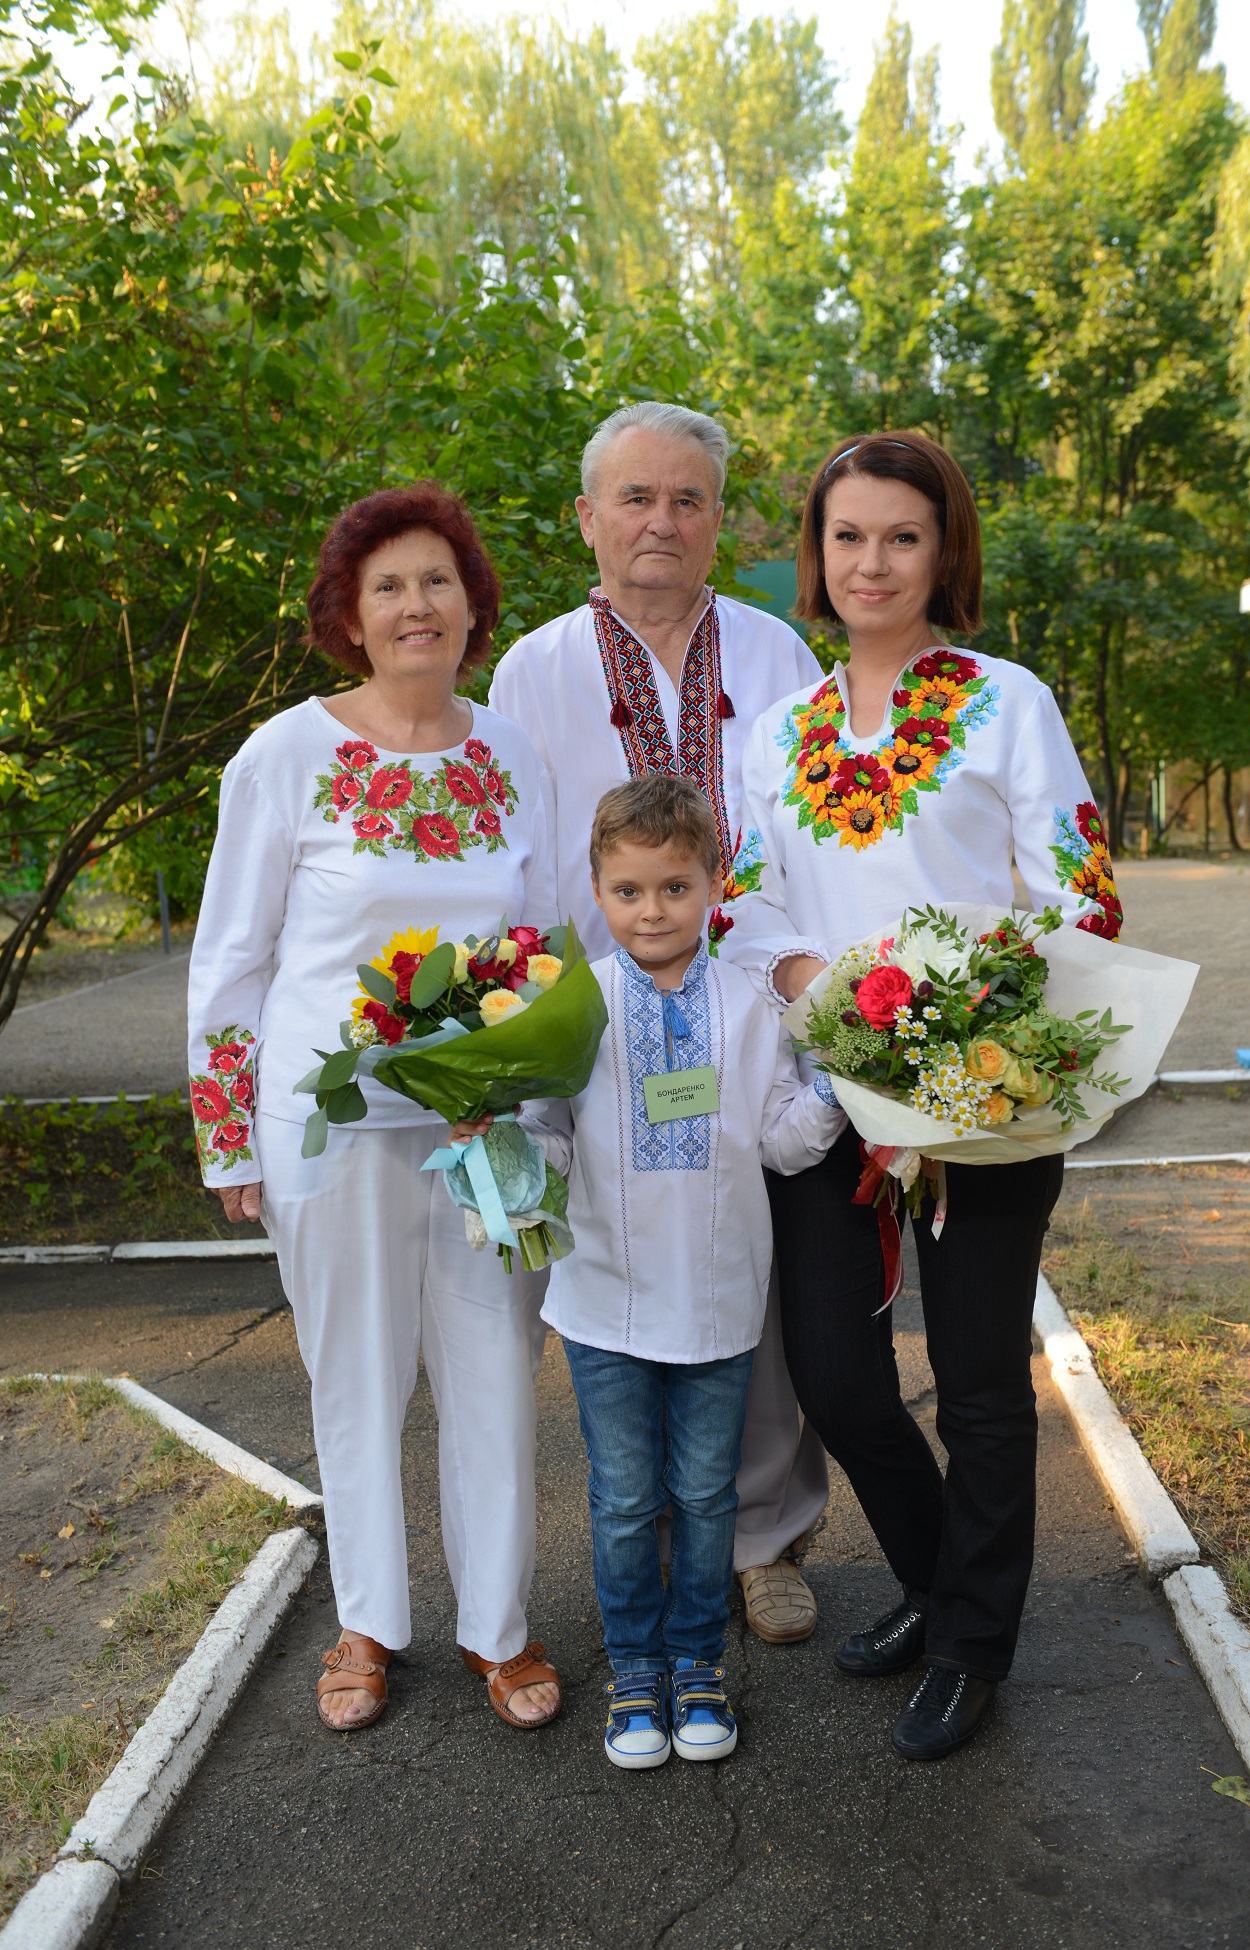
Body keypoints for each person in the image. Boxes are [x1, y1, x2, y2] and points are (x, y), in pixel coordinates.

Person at [736, 430, 1124, 1762]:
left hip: (980, 1088)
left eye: (902, 536)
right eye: (848, 535)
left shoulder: (1005, 701)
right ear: (817, 552)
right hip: (830, 1094)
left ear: (944, 549)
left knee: (978, 1387)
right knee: (838, 1378)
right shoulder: (778, 732)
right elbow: (744, 900)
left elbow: (1080, 892)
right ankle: (934, 1576)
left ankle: (971, 1644)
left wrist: (965, 1005)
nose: (873, 562)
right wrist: (817, 984)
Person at [187, 483, 563, 1734]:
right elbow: (231, 960)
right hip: (327, 1128)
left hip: (487, 1130)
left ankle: (499, 1629)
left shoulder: (513, 756)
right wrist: (228, 1137)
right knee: (353, 1375)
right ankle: (367, 1624)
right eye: (387, 585)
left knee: (494, 1368)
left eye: (437, 580)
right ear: (348, 615)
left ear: (472, 605)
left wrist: (545, 1108)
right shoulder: (283, 756)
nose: (416, 605)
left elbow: (545, 942)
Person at [490, 400, 829, 1645]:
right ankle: (651, 1541)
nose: (661, 522)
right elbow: (522, 865)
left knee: (754, 1271)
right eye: (635, 497)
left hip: (752, 1011)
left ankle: (764, 1540)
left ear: (717, 519)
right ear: (587, 517)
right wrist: (522, 1024)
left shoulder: (778, 655)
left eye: (687, 499)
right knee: (627, 1272)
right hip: (603, 1029)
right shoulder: (533, 670)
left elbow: (813, 835)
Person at [521, 775, 845, 1768]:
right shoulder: (571, 1004)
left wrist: (844, 1085)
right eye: (627, 890)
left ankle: (698, 1663)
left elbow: (782, 1140)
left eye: (674, 887)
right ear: (596, 890)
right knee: (624, 1500)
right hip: (604, 1302)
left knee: (707, 1497)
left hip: (717, 1298)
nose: (652, 910)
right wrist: (496, 1143)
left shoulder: (750, 1004)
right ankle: (635, 1670)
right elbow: (549, 1140)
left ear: (712, 884)